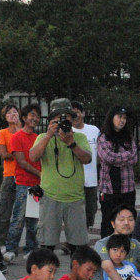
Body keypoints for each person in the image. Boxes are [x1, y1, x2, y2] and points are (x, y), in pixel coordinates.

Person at [28, 99, 91, 253]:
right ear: (51, 121)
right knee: (47, 245)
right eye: (58, 118)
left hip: (75, 197)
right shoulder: (43, 137)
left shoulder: (80, 138)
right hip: (50, 197)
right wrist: (49, 135)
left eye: (67, 118)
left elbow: (87, 159)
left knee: (78, 247)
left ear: (72, 120)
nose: (63, 122)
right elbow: (33, 157)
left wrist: (71, 143)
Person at [3, 106, 42, 261]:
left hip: (37, 185)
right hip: (23, 184)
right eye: (32, 115)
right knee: (18, 219)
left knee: (33, 221)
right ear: (24, 118)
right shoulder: (17, 137)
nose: (35, 118)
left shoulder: (39, 138)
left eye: (37, 116)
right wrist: (40, 174)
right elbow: (21, 162)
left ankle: (31, 249)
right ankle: (11, 249)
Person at [95, 106, 138, 238]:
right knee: (109, 221)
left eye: (124, 118)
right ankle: (107, 248)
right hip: (108, 188)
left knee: (127, 221)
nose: (122, 120)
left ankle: (127, 247)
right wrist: (126, 156)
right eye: (119, 117)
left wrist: (117, 158)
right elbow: (107, 157)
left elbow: (134, 158)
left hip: (127, 187)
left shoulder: (128, 137)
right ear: (111, 118)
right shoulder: (103, 137)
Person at [68, 102, 101, 232]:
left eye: (77, 112)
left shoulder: (94, 130)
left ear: (83, 113)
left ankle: (84, 234)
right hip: (73, 180)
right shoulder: (67, 132)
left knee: (90, 210)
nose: (75, 116)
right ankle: (74, 238)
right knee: (74, 212)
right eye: (72, 113)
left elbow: (100, 154)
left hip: (91, 180)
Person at [0, 105, 22, 239]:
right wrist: (20, 155)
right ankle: (1, 240)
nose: (12, 115)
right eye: (9, 113)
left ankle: (23, 242)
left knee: (25, 213)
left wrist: (19, 127)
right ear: (5, 117)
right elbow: (4, 154)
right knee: (5, 210)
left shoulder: (25, 131)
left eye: (15, 112)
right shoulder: (2, 133)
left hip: (25, 175)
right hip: (10, 175)